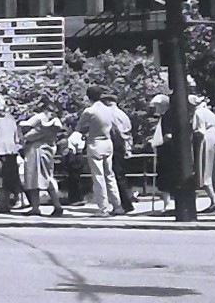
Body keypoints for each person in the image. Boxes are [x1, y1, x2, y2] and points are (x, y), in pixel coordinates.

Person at [76, 86, 125, 217]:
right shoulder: (109, 110)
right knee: (110, 175)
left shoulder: (89, 111)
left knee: (98, 176)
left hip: (95, 142)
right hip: (108, 142)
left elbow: (79, 127)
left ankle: (103, 207)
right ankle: (117, 205)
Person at [19, 100, 65, 217]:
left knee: (37, 178)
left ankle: (39, 207)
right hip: (45, 151)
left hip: (38, 151)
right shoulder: (53, 128)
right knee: (43, 178)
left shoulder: (44, 129)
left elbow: (29, 136)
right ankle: (51, 205)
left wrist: (26, 135)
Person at [191, 94, 215, 214]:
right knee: (213, 169)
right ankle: (214, 200)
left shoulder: (198, 113)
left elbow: (200, 130)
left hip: (206, 140)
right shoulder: (209, 112)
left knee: (204, 171)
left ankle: (214, 199)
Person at [0, 96, 22, 213]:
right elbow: (17, 138)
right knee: (10, 177)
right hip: (12, 150)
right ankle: (13, 201)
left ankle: (3, 204)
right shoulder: (12, 120)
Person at [103, 92, 135, 214]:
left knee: (115, 175)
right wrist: (128, 148)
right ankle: (126, 201)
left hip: (115, 145)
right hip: (122, 145)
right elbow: (128, 133)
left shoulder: (111, 114)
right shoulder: (123, 114)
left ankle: (124, 203)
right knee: (120, 175)